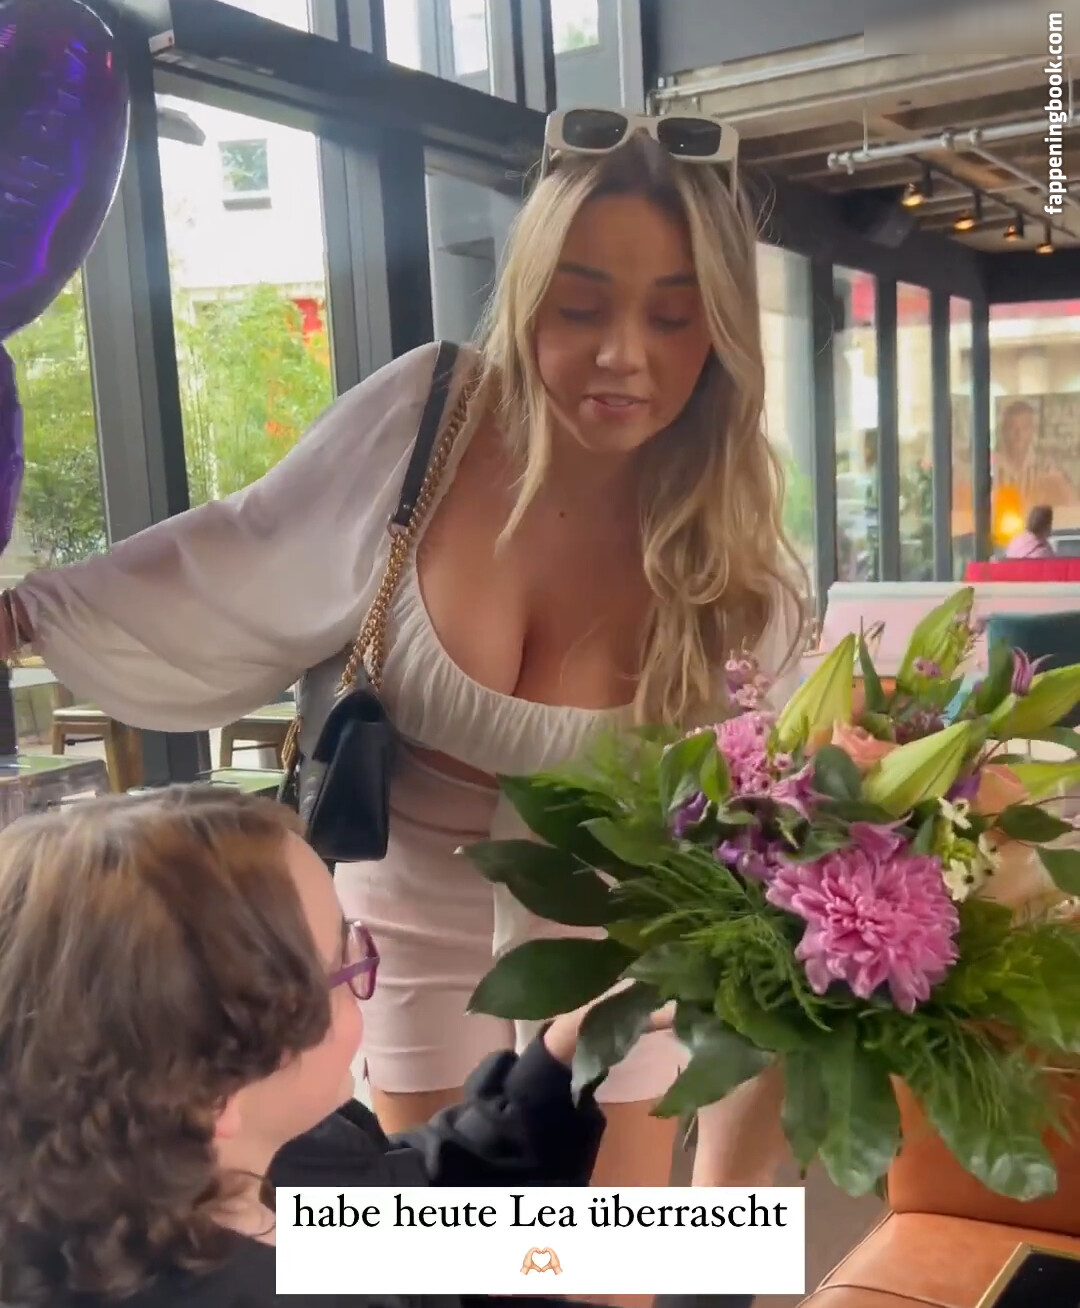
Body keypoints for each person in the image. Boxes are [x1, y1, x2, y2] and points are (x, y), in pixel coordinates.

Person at [0, 110, 805, 1194]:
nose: (624, 355)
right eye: (580, 307)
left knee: (600, 1255)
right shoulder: (434, 415)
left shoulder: (731, 531)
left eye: (673, 316)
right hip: (406, 907)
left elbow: (773, 843)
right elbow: (247, 546)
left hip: (624, 930)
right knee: (433, 1232)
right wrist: (29, 619)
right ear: (528, 296)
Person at [0, 788, 755, 1308]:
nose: (365, 976)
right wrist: (733, 1194)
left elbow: (401, 1202)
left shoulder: (247, 1168)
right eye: (344, 966)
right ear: (217, 1090)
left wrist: (557, 1063)